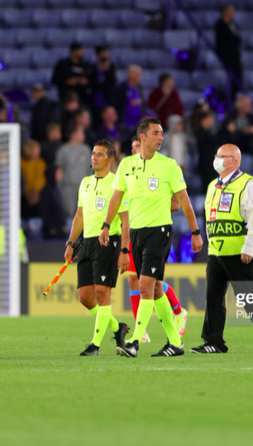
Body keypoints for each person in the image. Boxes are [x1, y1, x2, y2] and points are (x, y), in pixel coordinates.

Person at [99, 117, 203, 357]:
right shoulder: (126, 165)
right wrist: (106, 225)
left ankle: (134, 341)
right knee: (155, 289)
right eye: (156, 133)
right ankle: (175, 343)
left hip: (160, 232)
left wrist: (196, 232)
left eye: (162, 133)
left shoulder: (169, 165)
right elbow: (116, 198)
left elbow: (184, 201)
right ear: (142, 137)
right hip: (135, 232)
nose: (161, 137)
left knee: (145, 284)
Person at [192, 144, 253, 354]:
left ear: (235, 161)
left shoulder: (249, 184)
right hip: (217, 250)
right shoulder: (213, 185)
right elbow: (210, 217)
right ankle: (214, 342)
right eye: (217, 155)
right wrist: (209, 241)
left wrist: (249, 247)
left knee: (248, 298)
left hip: (241, 251)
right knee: (213, 296)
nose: (217, 159)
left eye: (223, 156)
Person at [64, 139, 131, 355]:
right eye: (93, 153)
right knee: (85, 297)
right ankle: (118, 327)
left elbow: (126, 220)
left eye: (100, 154)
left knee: (102, 293)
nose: (94, 157)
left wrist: (124, 250)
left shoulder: (118, 183)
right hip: (88, 242)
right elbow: (79, 216)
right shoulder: (85, 183)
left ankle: (95, 345)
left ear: (111, 160)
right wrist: (71, 243)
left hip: (108, 241)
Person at [126, 136, 188, 343]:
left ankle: (177, 313)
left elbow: (176, 204)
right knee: (134, 280)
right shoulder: (127, 171)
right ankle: (144, 328)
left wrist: (149, 204)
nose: (135, 150)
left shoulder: (162, 168)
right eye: (132, 147)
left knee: (150, 282)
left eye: (137, 146)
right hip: (131, 230)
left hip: (154, 230)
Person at [56, 126, 92, 218]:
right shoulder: (63, 150)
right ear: (73, 134)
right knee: (69, 213)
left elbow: (89, 169)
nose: (83, 135)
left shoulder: (86, 150)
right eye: (80, 132)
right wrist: (59, 188)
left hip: (84, 188)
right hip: (68, 188)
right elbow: (59, 171)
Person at [215, 4, 243, 98]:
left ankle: (236, 96)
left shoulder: (232, 24)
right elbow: (222, 44)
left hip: (235, 57)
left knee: (238, 79)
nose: (233, 13)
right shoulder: (220, 26)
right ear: (225, 13)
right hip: (227, 58)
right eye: (231, 11)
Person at [113, 65, 144, 137]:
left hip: (138, 124)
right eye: (138, 74)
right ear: (132, 76)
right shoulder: (121, 88)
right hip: (125, 125)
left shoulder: (139, 87)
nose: (141, 77)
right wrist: (120, 122)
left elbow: (142, 103)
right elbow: (117, 105)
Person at [21, 140, 47, 221]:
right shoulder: (20, 162)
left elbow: (42, 179)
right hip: (23, 196)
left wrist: (34, 190)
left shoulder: (41, 163)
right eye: (37, 148)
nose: (39, 150)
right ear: (29, 150)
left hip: (37, 196)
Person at [90, 46, 117, 117]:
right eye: (103, 52)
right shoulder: (93, 67)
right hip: (96, 99)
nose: (106, 54)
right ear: (98, 54)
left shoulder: (111, 67)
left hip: (108, 99)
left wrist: (107, 71)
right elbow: (91, 83)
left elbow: (113, 82)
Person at [196, 111, 220, 186]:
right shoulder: (201, 133)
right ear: (203, 121)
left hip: (211, 166)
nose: (212, 121)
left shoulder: (209, 132)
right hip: (206, 167)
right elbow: (215, 140)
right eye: (210, 119)